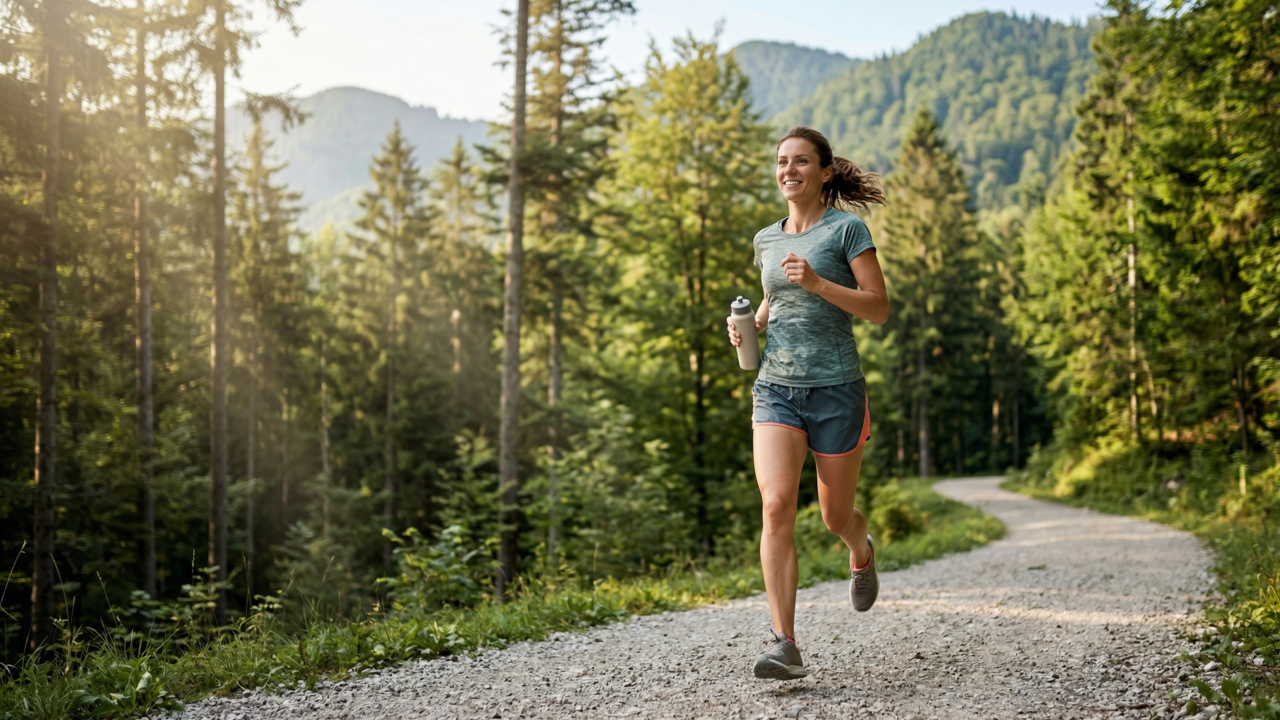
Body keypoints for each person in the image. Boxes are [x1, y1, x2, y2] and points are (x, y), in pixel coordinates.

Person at [727, 126, 888, 681]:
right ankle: (784, 642)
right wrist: (749, 324)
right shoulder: (766, 240)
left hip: (838, 389)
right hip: (776, 388)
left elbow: (878, 307)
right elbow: (775, 294)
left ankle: (859, 548)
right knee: (775, 507)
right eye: (781, 162)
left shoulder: (848, 231)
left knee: (834, 516)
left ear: (823, 171)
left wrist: (820, 284)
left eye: (800, 162)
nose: (788, 170)